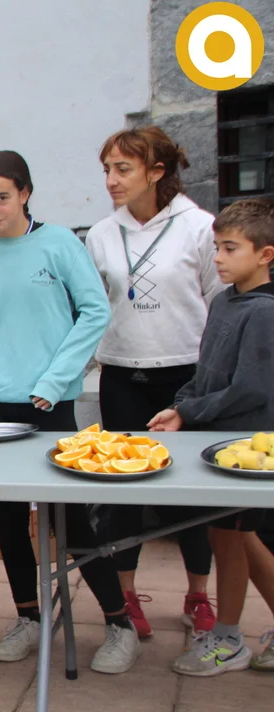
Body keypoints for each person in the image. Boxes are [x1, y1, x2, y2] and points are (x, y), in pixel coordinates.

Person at [0, 150, 141, 674]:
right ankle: (29, 618)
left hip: (48, 401)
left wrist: (56, 379)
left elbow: (94, 311)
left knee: (73, 520)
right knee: (9, 521)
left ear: (25, 193)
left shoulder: (59, 244)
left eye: (2, 198)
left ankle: (119, 625)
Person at [85, 126, 225, 638]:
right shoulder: (102, 234)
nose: (111, 180)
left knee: (190, 492)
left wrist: (209, 384)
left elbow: (219, 306)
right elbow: (92, 306)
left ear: (157, 171)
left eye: (123, 169)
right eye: (107, 169)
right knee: (122, 490)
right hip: (122, 373)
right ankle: (126, 596)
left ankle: (198, 595)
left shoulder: (199, 227)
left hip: (185, 376)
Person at [148, 196, 274, 676]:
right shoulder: (224, 301)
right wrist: (181, 407)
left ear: (265, 255)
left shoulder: (263, 312)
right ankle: (229, 633)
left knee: (237, 539)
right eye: (216, 247)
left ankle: (228, 638)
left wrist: (190, 409)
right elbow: (208, 373)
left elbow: (250, 389)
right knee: (233, 538)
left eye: (230, 248)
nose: (217, 258)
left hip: (245, 453)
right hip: (216, 449)